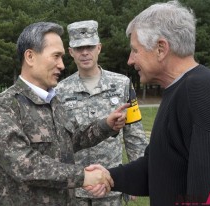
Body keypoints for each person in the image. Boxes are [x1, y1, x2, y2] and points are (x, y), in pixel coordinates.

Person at [85, 1, 210, 205]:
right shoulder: (179, 90)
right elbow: (159, 167)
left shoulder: (202, 91)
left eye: (135, 50)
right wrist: (110, 176)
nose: (130, 61)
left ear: (161, 48)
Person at [0, 22, 130, 206]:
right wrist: (83, 176)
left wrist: (106, 125)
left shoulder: (54, 102)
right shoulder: (5, 106)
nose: (62, 65)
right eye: (56, 56)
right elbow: (23, 165)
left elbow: (74, 139)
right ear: (30, 56)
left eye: (62, 57)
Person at [55, 20, 148, 206]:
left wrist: (136, 179)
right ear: (71, 52)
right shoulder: (59, 90)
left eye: (89, 46)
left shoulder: (122, 84)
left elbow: (134, 134)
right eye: (79, 48)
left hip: (110, 183)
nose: (85, 52)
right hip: (75, 188)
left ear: (99, 48)